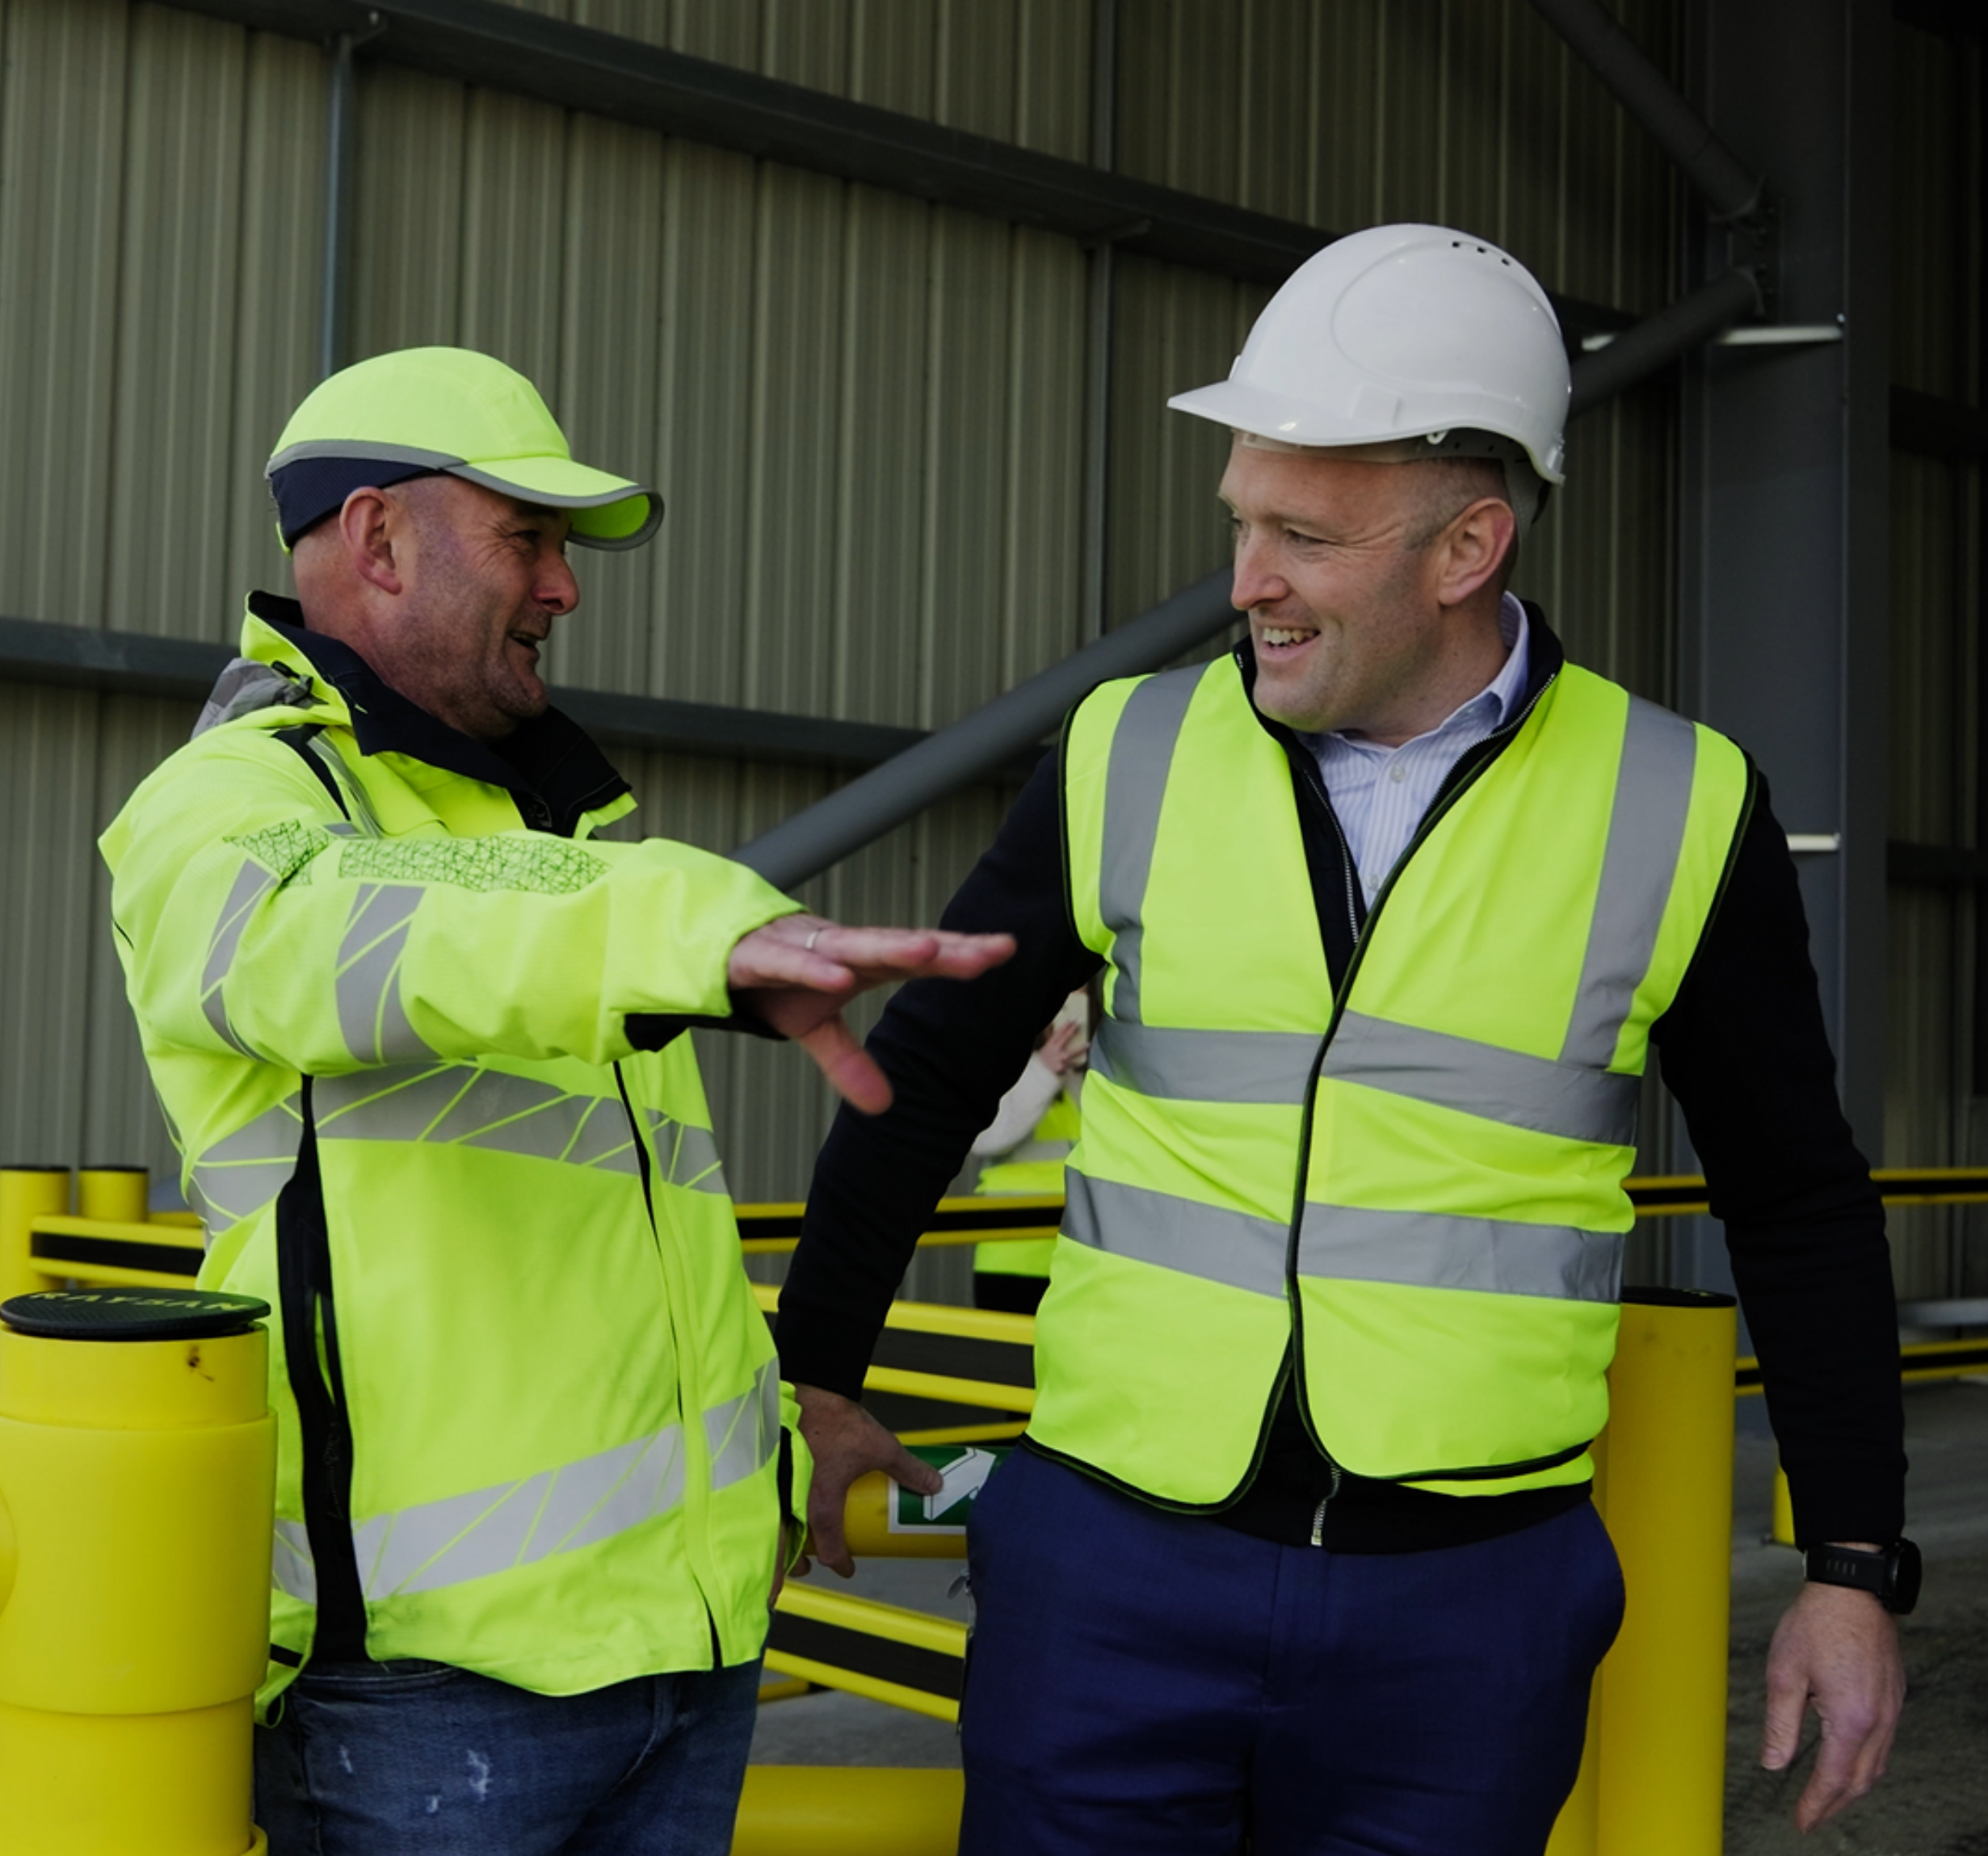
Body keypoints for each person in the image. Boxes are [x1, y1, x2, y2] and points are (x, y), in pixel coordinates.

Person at [775, 225, 1915, 1854]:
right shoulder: (1131, 749)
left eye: (1297, 536)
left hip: (1465, 1609)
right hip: (1107, 1568)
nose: (1242, 580)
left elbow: (1795, 1198)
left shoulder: (1674, 801)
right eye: (1242, 520)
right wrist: (815, 1367)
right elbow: (926, 1065)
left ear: (1464, 548)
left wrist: (1852, 1566)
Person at [99, 346, 1011, 1854]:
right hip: (428, 1696)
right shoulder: (239, 808)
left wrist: (787, 1432)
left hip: (689, 1656)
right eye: (528, 539)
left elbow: (604, 1256)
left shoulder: (553, 833)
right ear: (379, 538)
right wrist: (672, 922)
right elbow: (333, 932)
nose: (564, 589)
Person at [965, 989, 1091, 1313]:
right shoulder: (1002, 1057)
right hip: (1014, 1256)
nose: (1070, 1016)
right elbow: (982, 1135)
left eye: (1079, 1002)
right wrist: (1043, 1071)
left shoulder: (1100, 1070)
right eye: (1062, 1005)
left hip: (1081, 1260)